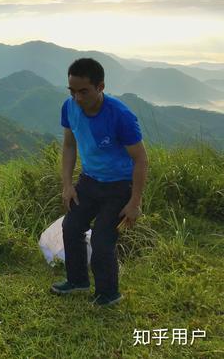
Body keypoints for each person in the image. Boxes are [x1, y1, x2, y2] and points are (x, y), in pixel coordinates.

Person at [51, 58, 148, 306]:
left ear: (100, 86)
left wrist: (135, 202)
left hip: (119, 186)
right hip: (89, 181)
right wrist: (68, 185)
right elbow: (70, 145)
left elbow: (140, 160)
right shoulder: (69, 107)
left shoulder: (120, 116)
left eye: (83, 91)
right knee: (71, 227)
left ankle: (108, 293)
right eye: (72, 91)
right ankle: (77, 281)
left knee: (102, 240)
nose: (77, 97)